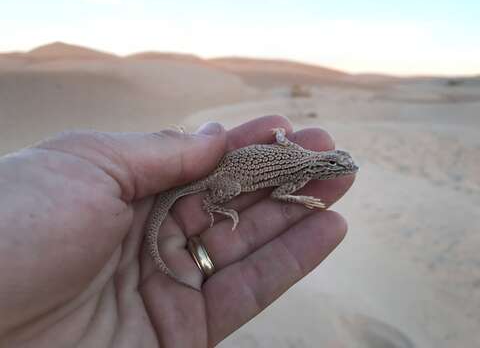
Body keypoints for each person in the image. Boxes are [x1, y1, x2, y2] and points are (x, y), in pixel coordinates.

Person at [0, 115, 355, 347]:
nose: (340, 168)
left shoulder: (302, 157)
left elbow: (283, 141)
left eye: (339, 166)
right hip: (226, 176)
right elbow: (278, 192)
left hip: (230, 166)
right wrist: (301, 199)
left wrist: (282, 145)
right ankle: (214, 206)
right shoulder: (301, 168)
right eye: (339, 166)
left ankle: (214, 206)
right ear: (327, 167)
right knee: (226, 193)